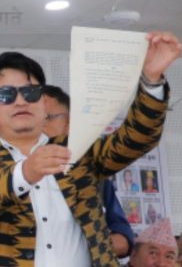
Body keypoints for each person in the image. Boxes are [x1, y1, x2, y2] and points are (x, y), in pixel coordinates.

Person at [0, 32, 182, 267]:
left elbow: (137, 139)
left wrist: (151, 81)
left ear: (43, 103)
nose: (20, 101)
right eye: (6, 94)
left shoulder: (78, 150)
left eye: (30, 92)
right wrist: (25, 173)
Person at [41, 85, 135, 258]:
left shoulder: (92, 175)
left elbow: (124, 240)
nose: (37, 127)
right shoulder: (12, 176)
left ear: (69, 123)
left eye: (47, 118)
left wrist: (78, 246)